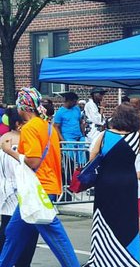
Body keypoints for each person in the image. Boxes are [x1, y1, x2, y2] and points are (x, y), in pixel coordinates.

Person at [0, 87, 80, 267]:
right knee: (14, 231)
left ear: (24, 107)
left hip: (37, 188)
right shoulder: (47, 126)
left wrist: (9, 151)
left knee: (53, 234)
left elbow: (33, 161)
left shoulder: (29, 128)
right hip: (45, 186)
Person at [85, 102, 140, 266]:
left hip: (107, 181)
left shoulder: (104, 136)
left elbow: (92, 158)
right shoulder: (136, 137)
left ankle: (103, 257)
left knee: (103, 217)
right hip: (129, 183)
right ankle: (128, 258)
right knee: (128, 217)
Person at [0, 108, 32, 267]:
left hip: (5, 193)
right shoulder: (20, 141)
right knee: (24, 236)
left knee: (6, 233)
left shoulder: (3, 138)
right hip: (19, 193)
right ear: (19, 124)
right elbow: (24, 167)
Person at [54, 91, 86, 164]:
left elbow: (80, 121)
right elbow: (56, 127)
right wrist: (62, 140)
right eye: (74, 101)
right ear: (69, 101)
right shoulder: (60, 112)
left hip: (79, 137)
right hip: (68, 139)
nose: (76, 103)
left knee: (82, 159)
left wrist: (83, 134)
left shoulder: (76, 109)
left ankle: (81, 171)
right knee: (70, 160)